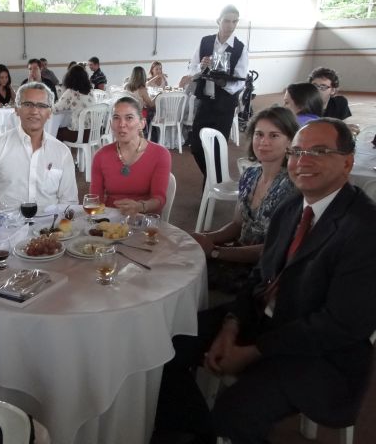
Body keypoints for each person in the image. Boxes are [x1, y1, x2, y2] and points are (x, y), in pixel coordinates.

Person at [157, 118, 376, 444]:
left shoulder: (364, 228)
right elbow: (261, 274)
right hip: (264, 320)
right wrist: (231, 325)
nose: (303, 161)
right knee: (163, 350)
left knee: (236, 412)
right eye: (297, 152)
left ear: (347, 162)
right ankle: (199, 432)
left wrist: (253, 351)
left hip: (318, 353)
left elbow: (340, 325)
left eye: (318, 152)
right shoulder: (292, 207)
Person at [191, 106, 299, 293]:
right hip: (237, 253)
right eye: (259, 134)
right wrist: (206, 238)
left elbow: (273, 249)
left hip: (265, 271)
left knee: (191, 277)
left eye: (274, 136)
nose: (263, 142)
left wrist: (216, 252)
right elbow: (237, 224)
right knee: (183, 262)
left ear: (290, 142)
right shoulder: (250, 175)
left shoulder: (292, 187)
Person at [0, 82, 78, 214]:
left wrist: (60, 223)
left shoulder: (62, 152)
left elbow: (69, 200)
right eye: (28, 104)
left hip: (49, 224)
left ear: (50, 112)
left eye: (42, 106)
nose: (34, 111)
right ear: (17, 109)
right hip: (8, 224)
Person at [187, 5, 249, 183]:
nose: (231, 25)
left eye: (234, 21)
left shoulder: (240, 48)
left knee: (216, 148)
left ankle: (211, 185)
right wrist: (201, 66)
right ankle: (214, 179)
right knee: (196, 146)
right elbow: (191, 69)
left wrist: (223, 83)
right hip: (205, 102)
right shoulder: (205, 42)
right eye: (227, 21)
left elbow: (240, 81)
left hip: (225, 105)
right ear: (218, 21)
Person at [90, 96, 171, 216]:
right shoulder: (100, 156)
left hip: (143, 219)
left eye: (129, 118)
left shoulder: (160, 154)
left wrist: (140, 207)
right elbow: (95, 199)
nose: (122, 124)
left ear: (142, 123)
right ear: (111, 124)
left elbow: (159, 200)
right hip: (109, 220)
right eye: (116, 118)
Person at [53, 64, 95, 142]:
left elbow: (55, 109)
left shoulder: (71, 93)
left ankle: (67, 150)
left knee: (56, 132)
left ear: (70, 78)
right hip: (92, 133)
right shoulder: (91, 92)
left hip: (78, 134)